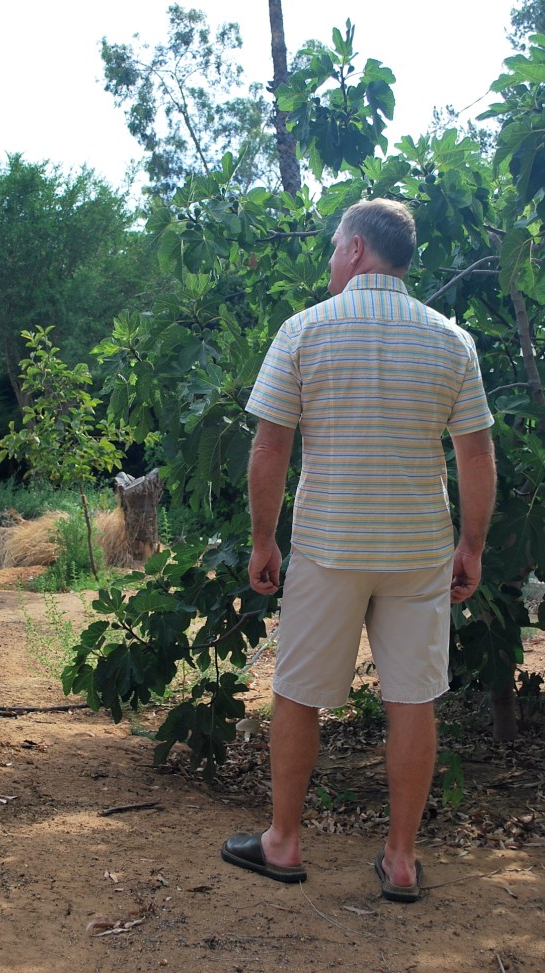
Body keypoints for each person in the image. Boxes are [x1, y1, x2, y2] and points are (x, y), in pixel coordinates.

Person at [220, 198, 496, 901]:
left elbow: (271, 444)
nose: (332, 261)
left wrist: (262, 539)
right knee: (413, 699)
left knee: (298, 694)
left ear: (355, 252)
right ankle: (400, 860)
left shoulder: (305, 329)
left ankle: (283, 843)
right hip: (419, 550)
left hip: (328, 547)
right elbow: (475, 451)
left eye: (334, 249)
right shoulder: (451, 340)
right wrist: (472, 544)